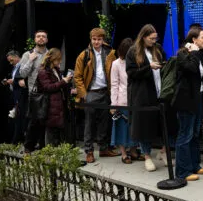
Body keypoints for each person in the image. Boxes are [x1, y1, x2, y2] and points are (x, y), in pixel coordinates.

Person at [73, 27, 118, 164]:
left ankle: (104, 148)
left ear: (102, 39)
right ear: (90, 39)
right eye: (94, 39)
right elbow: (77, 76)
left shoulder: (110, 52)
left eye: (99, 39)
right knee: (89, 123)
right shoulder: (84, 55)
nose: (96, 42)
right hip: (91, 92)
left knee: (105, 121)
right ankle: (89, 150)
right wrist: (84, 94)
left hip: (105, 91)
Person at [126, 24, 165, 172]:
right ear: (143, 37)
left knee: (163, 124)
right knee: (143, 126)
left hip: (159, 92)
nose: (154, 41)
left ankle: (163, 152)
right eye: (151, 38)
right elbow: (131, 72)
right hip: (142, 95)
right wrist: (149, 68)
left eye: (156, 38)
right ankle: (147, 155)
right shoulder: (133, 51)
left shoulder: (158, 48)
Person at [174, 27, 203, 182]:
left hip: (198, 99)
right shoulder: (183, 53)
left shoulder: (199, 54)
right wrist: (194, 52)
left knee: (195, 134)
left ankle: (195, 165)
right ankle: (182, 171)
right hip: (186, 101)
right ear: (194, 39)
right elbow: (190, 68)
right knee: (185, 134)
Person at [36, 48, 75, 146]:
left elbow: (58, 86)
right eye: (58, 59)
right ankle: (49, 157)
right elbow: (48, 87)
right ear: (52, 59)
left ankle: (59, 155)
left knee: (59, 132)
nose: (60, 61)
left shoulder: (56, 70)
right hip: (49, 105)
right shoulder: (43, 72)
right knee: (50, 131)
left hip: (59, 104)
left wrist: (67, 82)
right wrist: (63, 81)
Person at [20, 30, 50, 153]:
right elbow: (22, 73)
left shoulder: (50, 54)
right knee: (34, 121)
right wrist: (30, 60)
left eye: (43, 36)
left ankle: (43, 146)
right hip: (34, 93)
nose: (41, 38)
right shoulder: (28, 54)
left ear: (47, 39)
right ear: (35, 39)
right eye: (38, 36)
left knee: (46, 120)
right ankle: (28, 147)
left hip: (49, 92)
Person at [110, 38, 135, 164]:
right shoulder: (116, 64)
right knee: (121, 127)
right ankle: (124, 153)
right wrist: (113, 104)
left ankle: (134, 150)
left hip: (135, 100)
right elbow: (114, 84)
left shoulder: (136, 61)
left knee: (134, 127)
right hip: (122, 100)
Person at [1, 50, 24, 144]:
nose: (10, 63)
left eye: (11, 60)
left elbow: (22, 82)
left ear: (17, 56)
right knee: (16, 118)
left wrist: (13, 82)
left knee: (19, 118)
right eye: (9, 61)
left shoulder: (22, 66)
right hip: (15, 95)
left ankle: (16, 141)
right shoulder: (15, 67)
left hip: (21, 95)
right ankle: (17, 140)